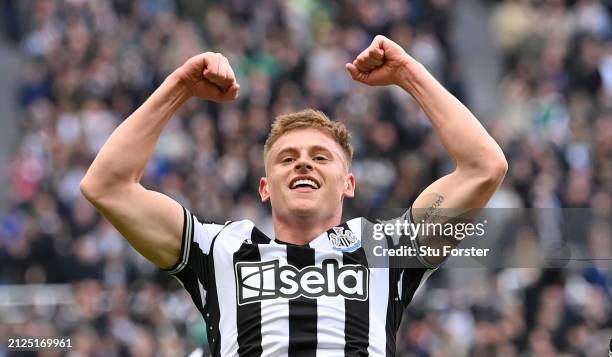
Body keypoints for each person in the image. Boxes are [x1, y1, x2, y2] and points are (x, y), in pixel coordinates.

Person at [80, 35, 507, 356]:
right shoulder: (220, 249)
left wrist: (407, 73)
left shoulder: (384, 250)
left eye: (321, 156)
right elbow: (107, 186)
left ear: (348, 184)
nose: (303, 164)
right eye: (286, 159)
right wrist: (178, 86)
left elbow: (484, 166)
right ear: (264, 189)